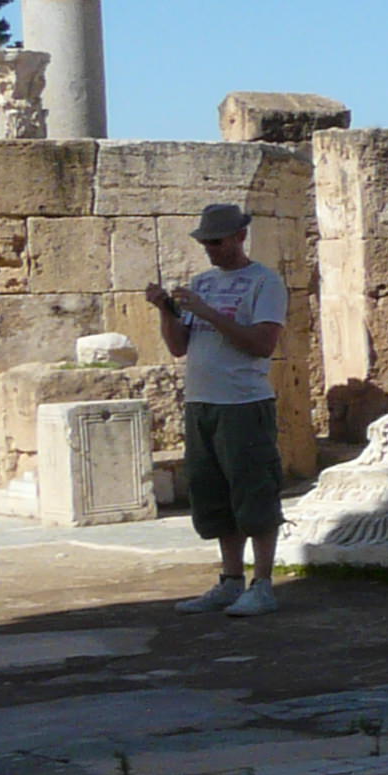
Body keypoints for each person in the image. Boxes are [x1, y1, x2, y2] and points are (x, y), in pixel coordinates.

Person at [149, 201, 290, 617]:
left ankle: (263, 583)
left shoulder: (264, 282)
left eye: (217, 241)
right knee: (214, 496)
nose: (211, 249)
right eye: (205, 242)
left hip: (244, 403)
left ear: (239, 237)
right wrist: (166, 310)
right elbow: (179, 346)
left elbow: (262, 343)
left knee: (255, 494)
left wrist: (208, 312)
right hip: (201, 402)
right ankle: (230, 581)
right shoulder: (203, 282)